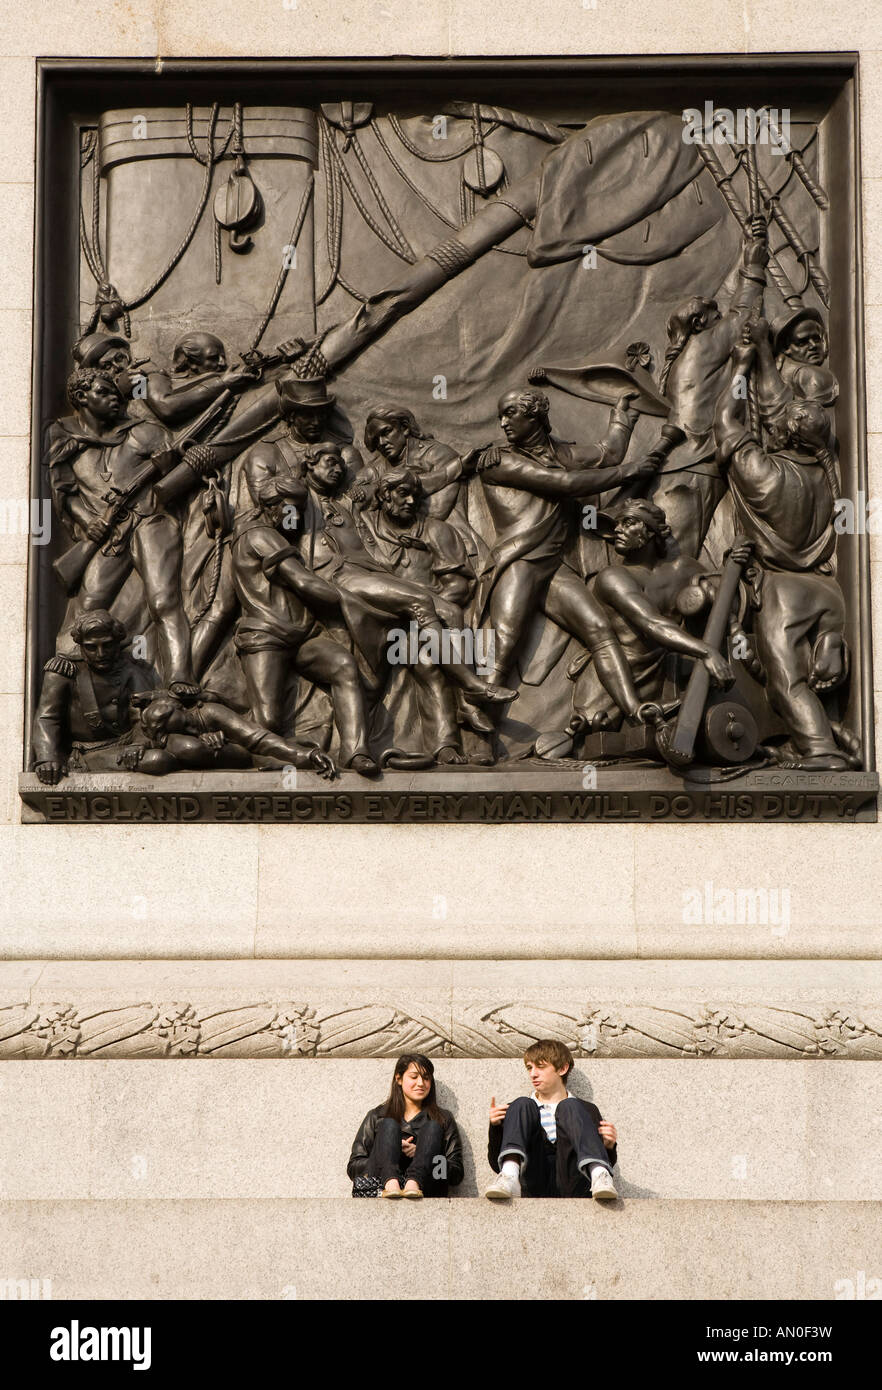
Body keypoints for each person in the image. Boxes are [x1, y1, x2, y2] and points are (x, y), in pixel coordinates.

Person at [484, 1040, 618, 1201]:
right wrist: (496, 1128)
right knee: (522, 1103)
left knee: (570, 1106)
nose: (533, 1074)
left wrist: (608, 1146)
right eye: (529, 1067)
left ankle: (599, 1175)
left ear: (562, 1068)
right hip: (533, 1182)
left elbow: (607, 1158)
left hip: (574, 1184)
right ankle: (509, 1177)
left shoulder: (585, 1110)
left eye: (540, 1067)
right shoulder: (516, 1110)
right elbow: (494, 1162)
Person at [347, 1054, 464, 1199]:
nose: (421, 1083)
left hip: (427, 1189)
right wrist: (388, 1154)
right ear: (399, 1079)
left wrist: (424, 1155)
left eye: (426, 1078)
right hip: (380, 1187)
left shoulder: (442, 1119)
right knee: (389, 1124)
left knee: (432, 1127)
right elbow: (353, 1168)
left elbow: (456, 1174)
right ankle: (391, 1183)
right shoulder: (377, 1116)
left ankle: (414, 1183)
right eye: (414, 1077)